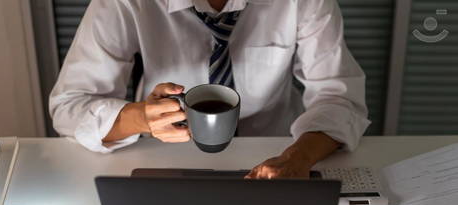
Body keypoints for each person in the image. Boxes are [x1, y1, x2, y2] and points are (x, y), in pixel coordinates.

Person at [50, 0, 370, 179]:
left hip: (277, 154)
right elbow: (69, 107)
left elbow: (340, 97)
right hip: (163, 163)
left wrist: (298, 158)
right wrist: (139, 118)